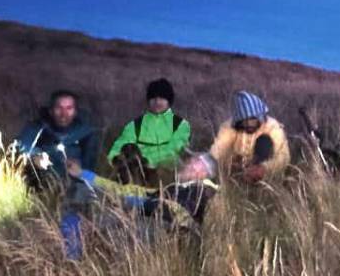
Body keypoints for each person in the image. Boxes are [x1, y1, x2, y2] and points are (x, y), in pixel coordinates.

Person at [62, 153, 219, 260]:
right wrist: (84, 174)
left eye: (196, 165)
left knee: (106, 225)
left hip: (167, 231)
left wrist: (137, 203)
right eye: (191, 161)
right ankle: (72, 257)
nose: (189, 164)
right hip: (150, 221)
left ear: (205, 174)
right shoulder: (171, 189)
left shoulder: (204, 189)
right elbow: (125, 190)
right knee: (87, 205)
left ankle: (72, 259)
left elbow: (181, 213)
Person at [105, 78, 192, 183]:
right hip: (134, 169)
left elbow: (172, 150)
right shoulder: (135, 125)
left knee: (169, 163)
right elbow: (121, 144)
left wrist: (146, 161)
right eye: (153, 98)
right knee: (127, 155)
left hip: (163, 172)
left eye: (162, 98)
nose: (157, 102)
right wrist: (114, 159)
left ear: (169, 100)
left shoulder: (180, 125)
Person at [16, 89, 100, 185]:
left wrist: (81, 170)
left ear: (76, 112)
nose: (63, 114)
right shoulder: (38, 127)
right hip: (42, 182)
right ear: (51, 111)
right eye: (58, 108)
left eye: (69, 108)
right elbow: (23, 145)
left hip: (74, 184)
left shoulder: (86, 132)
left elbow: (90, 166)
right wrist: (35, 156)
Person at [209, 91, 290, 183]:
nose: (248, 125)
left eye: (252, 120)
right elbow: (219, 148)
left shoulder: (272, 127)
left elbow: (283, 156)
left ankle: (261, 184)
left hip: (264, 173)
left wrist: (264, 168)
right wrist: (207, 162)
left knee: (264, 141)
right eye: (244, 121)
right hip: (236, 171)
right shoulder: (229, 127)